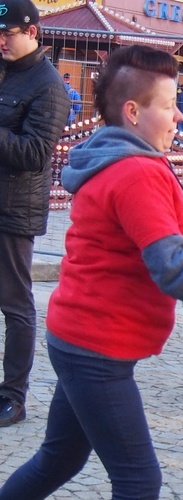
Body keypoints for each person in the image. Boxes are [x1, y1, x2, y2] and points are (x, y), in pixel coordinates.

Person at [0, 45, 183, 499]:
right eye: (170, 106)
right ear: (133, 112)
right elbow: (174, 273)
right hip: (97, 348)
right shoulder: (135, 169)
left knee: (58, 459)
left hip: (80, 337)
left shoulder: (117, 157)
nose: (179, 117)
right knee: (138, 481)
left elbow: (124, 230)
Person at [0, 0, 70, 428]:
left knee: (15, 304)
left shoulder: (48, 86)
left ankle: (13, 396)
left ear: (33, 33)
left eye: (8, 34)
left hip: (12, 211)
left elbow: (34, 152)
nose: (1, 41)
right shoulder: (5, 71)